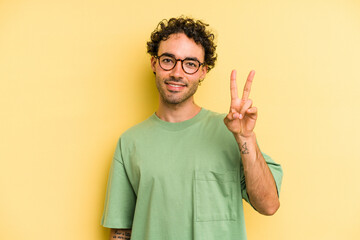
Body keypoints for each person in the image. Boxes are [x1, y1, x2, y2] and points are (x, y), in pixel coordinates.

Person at [101, 16, 283, 240]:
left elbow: (269, 205)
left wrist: (246, 138)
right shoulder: (130, 143)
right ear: (154, 64)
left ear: (203, 71)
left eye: (190, 63)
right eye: (168, 60)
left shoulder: (231, 132)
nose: (177, 72)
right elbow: (121, 231)